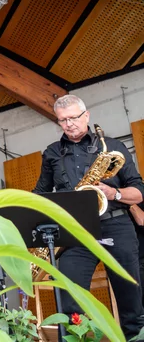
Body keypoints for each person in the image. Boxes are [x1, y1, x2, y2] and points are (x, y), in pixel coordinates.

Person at [33, 94, 144, 338]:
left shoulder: (112, 146)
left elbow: (139, 191)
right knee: (70, 302)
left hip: (116, 225)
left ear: (87, 116)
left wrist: (114, 193)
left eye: (74, 117)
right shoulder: (52, 153)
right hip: (77, 231)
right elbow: (40, 193)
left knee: (132, 304)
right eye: (63, 120)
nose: (69, 124)